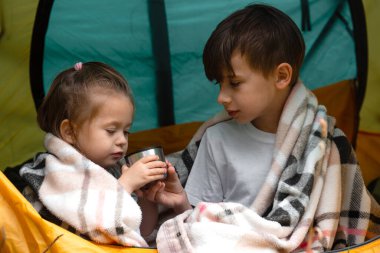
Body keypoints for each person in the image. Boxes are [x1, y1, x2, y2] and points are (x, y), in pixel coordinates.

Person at [145, 3, 380, 252]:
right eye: (219, 84)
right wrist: (181, 204)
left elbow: (341, 224)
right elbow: (199, 226)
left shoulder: (324, 144)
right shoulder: (217, 138)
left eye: (234, 83)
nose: (221, 97)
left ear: (281, 76)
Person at [17, 61, 176, 247]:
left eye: (126, 131)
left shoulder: (114, 170)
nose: (122, 140)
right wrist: (126, 185)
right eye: (111, 131)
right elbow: (89, 226)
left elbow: (141, 231)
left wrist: (145, 197)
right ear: (69, 132)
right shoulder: (57, 173)